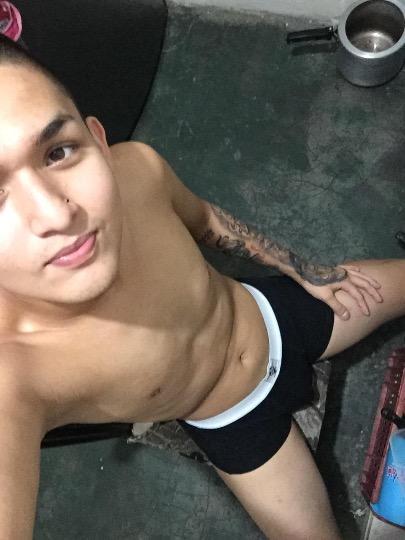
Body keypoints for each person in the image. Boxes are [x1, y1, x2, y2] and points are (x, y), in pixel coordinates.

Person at [0, 34, 402, 540]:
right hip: (233, 422)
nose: (57, 215)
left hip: (272, 314)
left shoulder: (136, 169)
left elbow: (206, 219)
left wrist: (303, 271)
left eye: (58, 152)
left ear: (98, 141)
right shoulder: (14, 371)